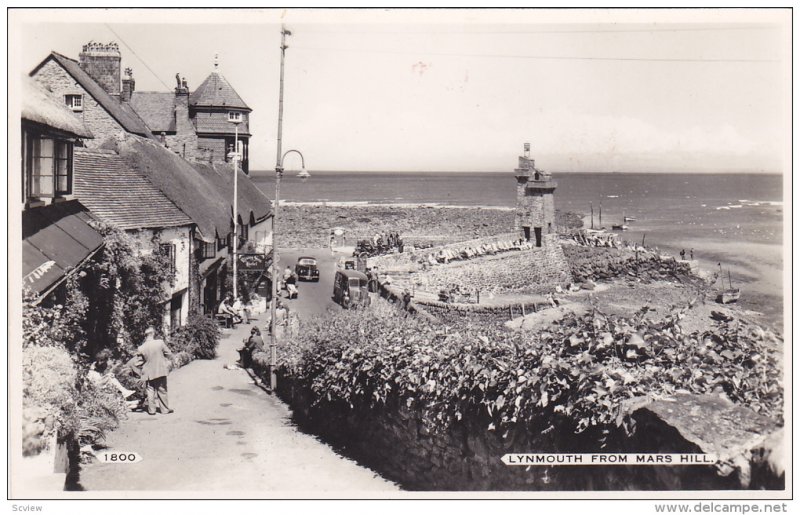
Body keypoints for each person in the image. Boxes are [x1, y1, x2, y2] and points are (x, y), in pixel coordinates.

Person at [137, 327, 175, 415]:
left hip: (148, 373)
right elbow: (168, 354)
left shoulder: (141, 348)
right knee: (162, 390)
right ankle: (164, 410)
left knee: (150, 391)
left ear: (146, 336)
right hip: (160, 370)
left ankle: (151, 410)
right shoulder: (159, 343)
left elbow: (138, 363)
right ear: (152, 334)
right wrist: (173, 360)